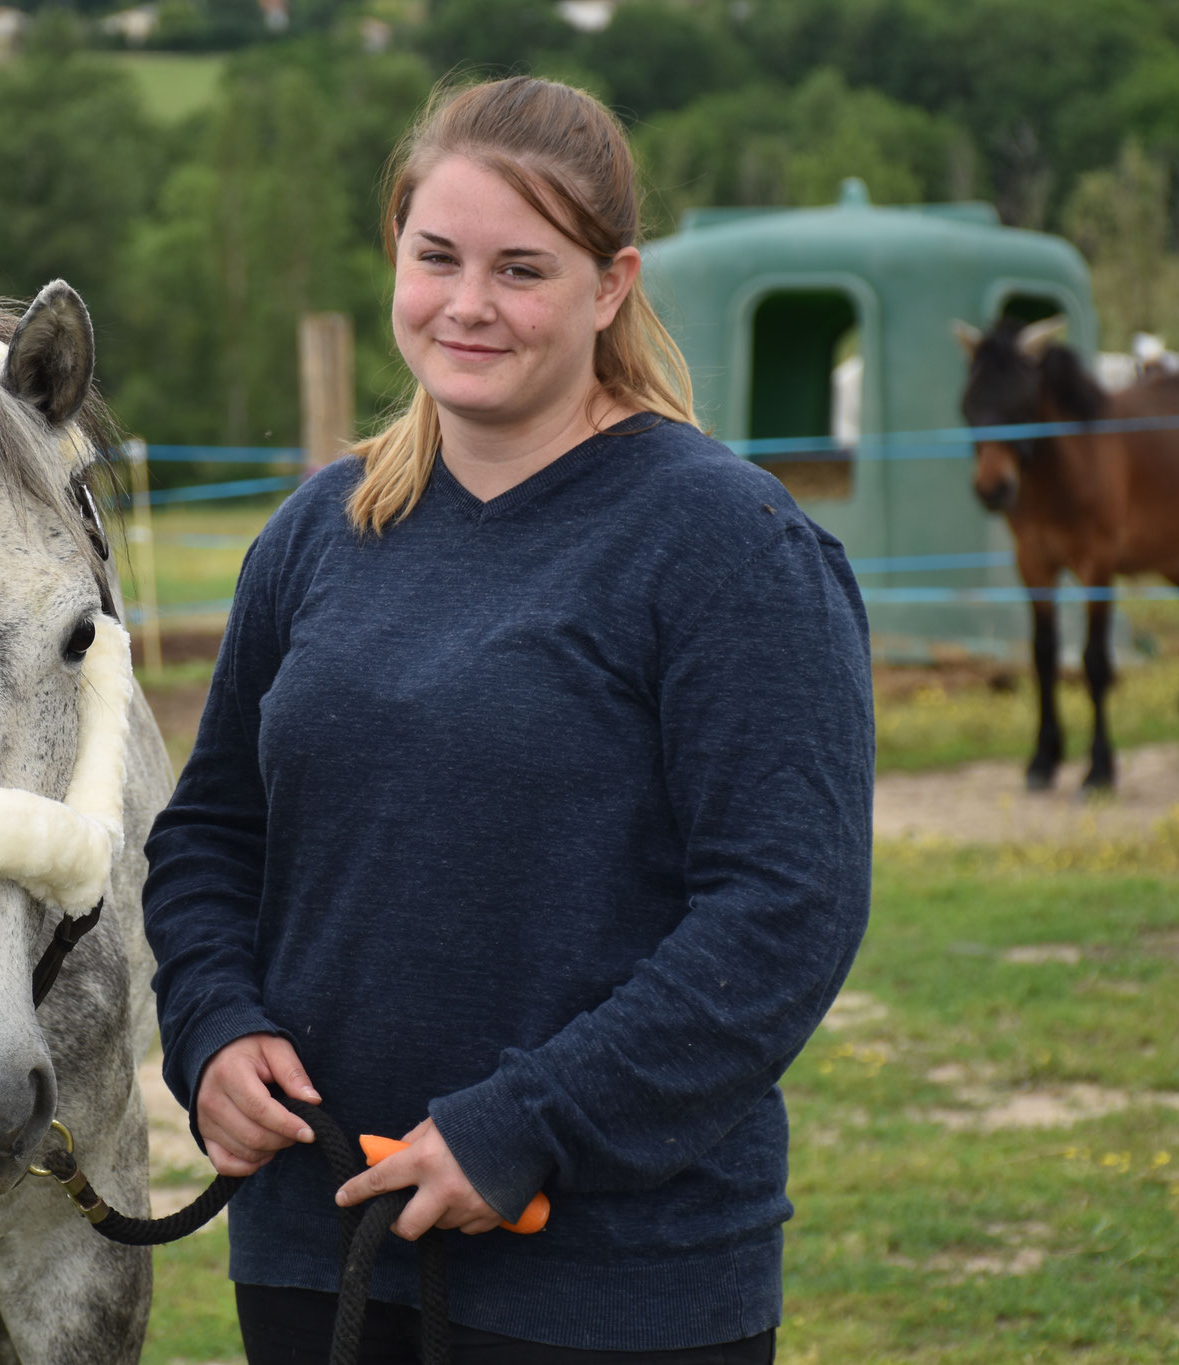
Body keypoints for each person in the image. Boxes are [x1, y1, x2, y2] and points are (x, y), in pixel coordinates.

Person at [143, 75, 873, 1364]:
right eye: (438, 258)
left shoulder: (725, 545)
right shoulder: (318, 532)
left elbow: (784, 911)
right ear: (397, 263)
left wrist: (527, 1125)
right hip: (324, 1256)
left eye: (522, 269)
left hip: (612, 1286)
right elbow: (211, 836)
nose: (469, 305)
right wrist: (210, 1022)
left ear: (610, 286)